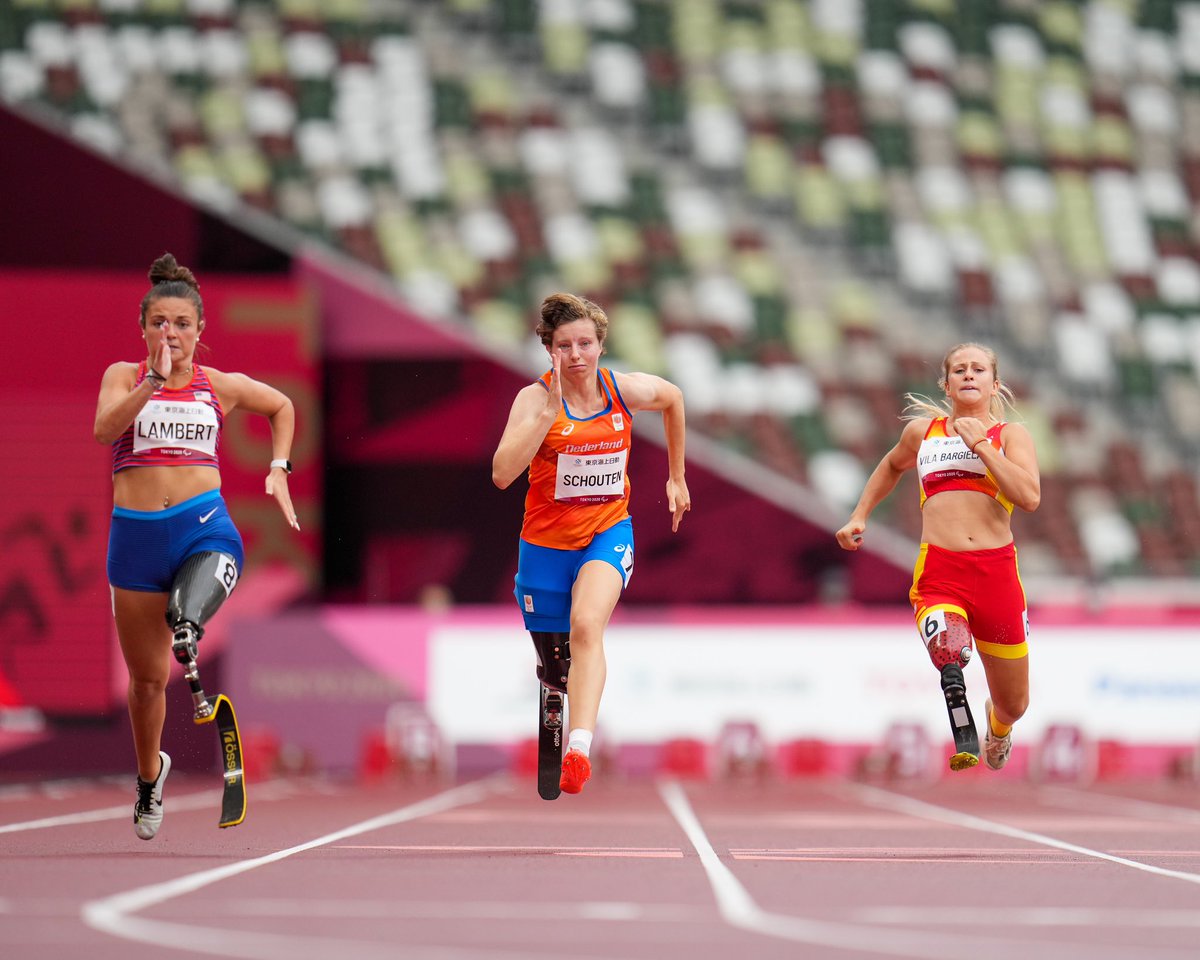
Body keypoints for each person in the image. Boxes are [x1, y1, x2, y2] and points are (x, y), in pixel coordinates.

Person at [93, 253, 300, 839]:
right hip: (134, 540)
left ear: (199, 330)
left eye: (181, 324)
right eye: (159, 322)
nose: (170, 334)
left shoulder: (221, 387)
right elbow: (105, 430)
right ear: (143, 329)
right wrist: (152, 383)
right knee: (147, 683)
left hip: (201, 528)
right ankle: (149, 774)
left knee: (185, 622)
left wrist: (278, 468)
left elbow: (282, 406)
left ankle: (190, 624)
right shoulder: (122, 376)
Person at [492, 293, 690, 794]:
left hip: (607, 531)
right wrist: (544, 419)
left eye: (585, 343)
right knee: (556, 662)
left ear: (601, 345)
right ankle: (554, 682)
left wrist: (676, 477)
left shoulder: (622, 390)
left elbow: (673, 399)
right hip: (544, 546)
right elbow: (500, 475)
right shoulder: (533, 400)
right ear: (550, 352)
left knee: (587, 626)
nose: (576, 354)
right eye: (564, 346)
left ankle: (579, 749)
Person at [835, 342, 1040, 771]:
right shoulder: (923, 433)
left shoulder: (1010, 436)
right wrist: (860, 515)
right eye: (960, 369)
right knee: (950, 648)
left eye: (978, 369)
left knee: (1015, 702)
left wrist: (981, 446)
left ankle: (997, 728)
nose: (969, 375)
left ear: (994, 383)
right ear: (945, 384)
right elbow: (892, 466)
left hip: (996, 575)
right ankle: (953, 686)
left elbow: (1029, 497)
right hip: (941, 571)